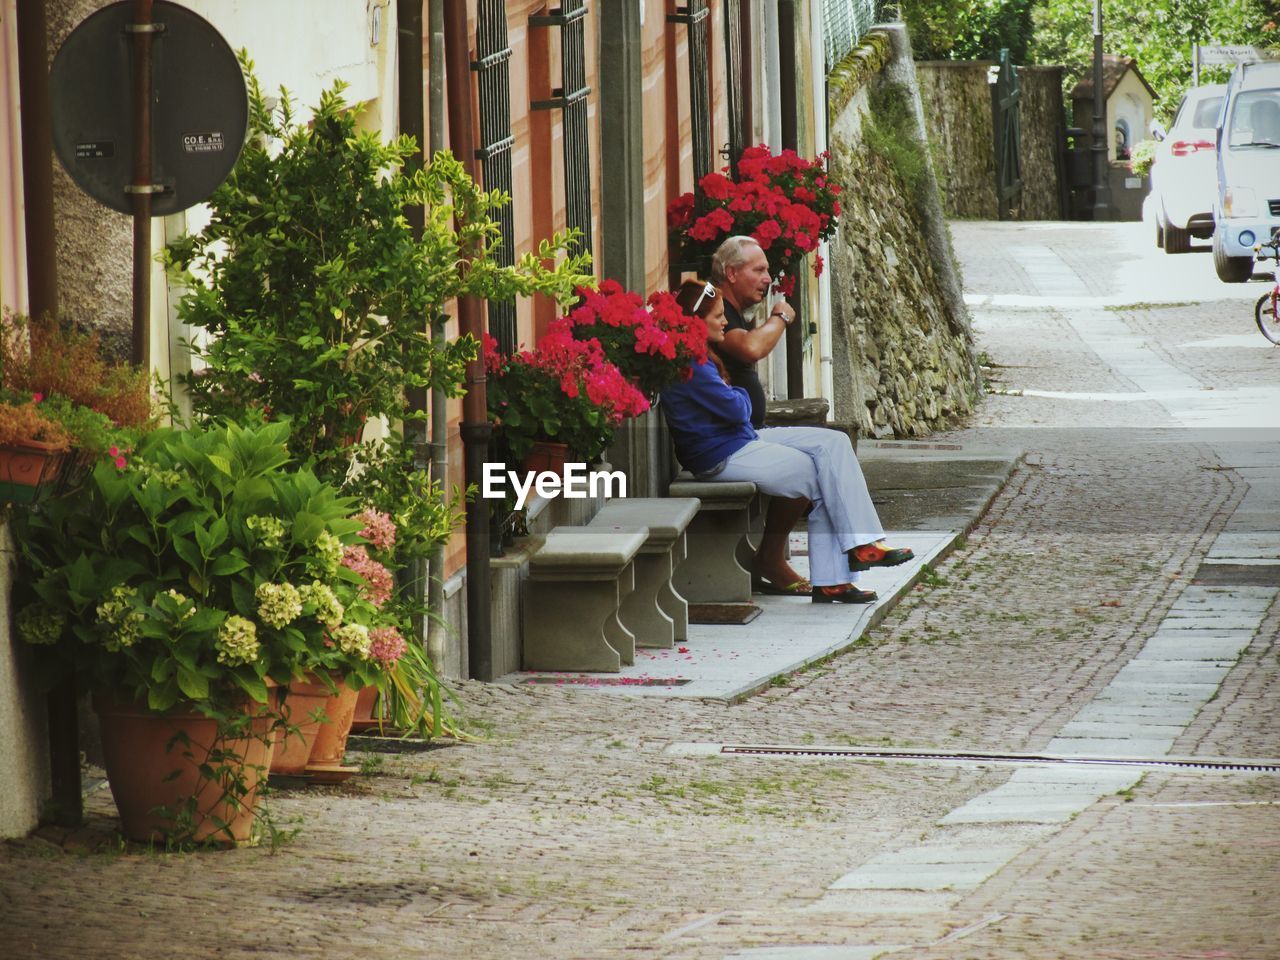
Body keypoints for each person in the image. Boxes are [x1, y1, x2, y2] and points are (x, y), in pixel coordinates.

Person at [662, 279, 914, 604]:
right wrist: (738, 392)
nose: (725, 321)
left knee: (834, 444)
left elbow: (736, 411)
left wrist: (735, 395)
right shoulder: (690, 365)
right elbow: (739, 408)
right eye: (717, 317)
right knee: (822, 476)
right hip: (723, 455)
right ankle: (838, 575)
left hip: (741, 440)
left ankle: (860, 548)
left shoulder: (698, 358)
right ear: (696, 322)